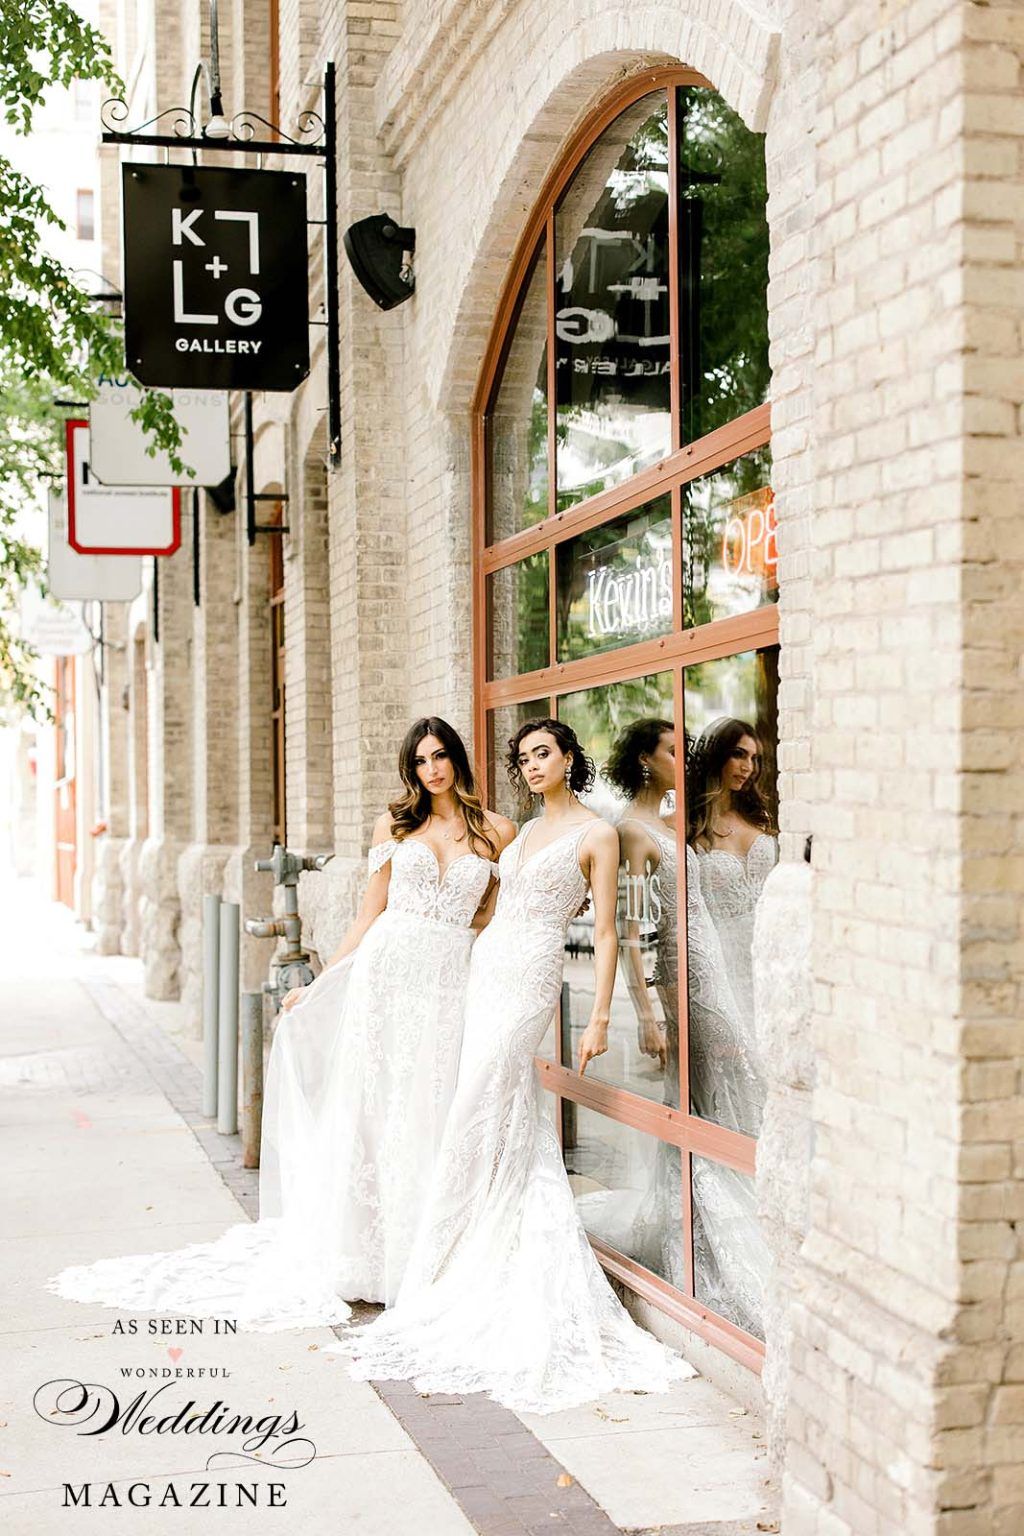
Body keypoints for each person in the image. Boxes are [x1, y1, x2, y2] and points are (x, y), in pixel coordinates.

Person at [45, 718, 515, 1330]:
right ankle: (375, 1257)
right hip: (387, 976)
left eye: (442, 756)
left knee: (435, 1104)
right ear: (411, 769)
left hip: (450, 979)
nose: (434, 769)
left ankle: (433, 1252)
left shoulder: (495, 831)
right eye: (422, 760)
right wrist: (322, 981)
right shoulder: (395, 827)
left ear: (457, 759)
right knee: (381, 1108)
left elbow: (491, 918)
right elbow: (369, 913)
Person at [330, 718, 695, 1413]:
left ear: (568, 758)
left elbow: (611, 931)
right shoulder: (522, 834)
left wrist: (600, 1015)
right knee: (492, 1112)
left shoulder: (599, 833)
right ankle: (471, 1246)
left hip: (530, 975)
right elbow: (485, 912)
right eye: (522, 758)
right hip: (484, 970)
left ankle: (444, 1266)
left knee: (475, 1104)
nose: (531, 766)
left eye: (543, 754)